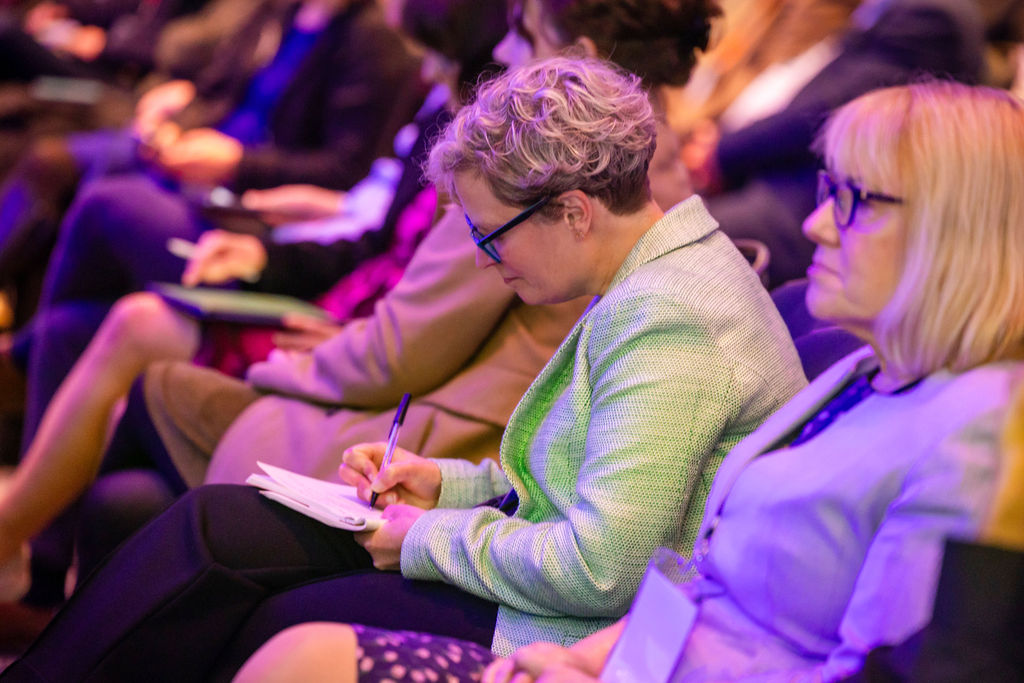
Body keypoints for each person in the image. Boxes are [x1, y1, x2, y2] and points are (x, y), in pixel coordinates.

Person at [0, 57, 805, 682]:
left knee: (262, 612)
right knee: (217, 520)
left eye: (494, 235)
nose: (489, 260)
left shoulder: (671, 315)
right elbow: (569, 489)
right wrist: (441, 484)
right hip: (530, 585)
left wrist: (424, 533)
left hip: (550, 629)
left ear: (572, 210)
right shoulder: (647, 276)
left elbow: (599, 570)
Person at [235, 80, 1024, 682]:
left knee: (293, 645)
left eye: (854, 200)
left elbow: (861, 669)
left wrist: (603, 668)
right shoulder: (862, 374)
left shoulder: (978, 438)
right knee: (257, 594)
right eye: (826, 192)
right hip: (632, 654)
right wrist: (595, 660)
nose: (818, 223)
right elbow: (700, 575)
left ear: (956, 231)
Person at [0, 0, 506, 607]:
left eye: (530, 39)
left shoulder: (480, 133)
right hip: (320, 269)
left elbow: (395, 306)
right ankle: (38, 581)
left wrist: (252, 193)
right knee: (69, 328)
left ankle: (13, 520)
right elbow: (368, 227)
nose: (517, 54)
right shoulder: (341, 42)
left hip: (339, 314)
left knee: (116, 229)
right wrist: (178, 114)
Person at [492, 0, 720, 213]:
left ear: (582, 60)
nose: (501, 52)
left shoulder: (612, 206)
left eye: (524, 34)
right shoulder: (656, 180)